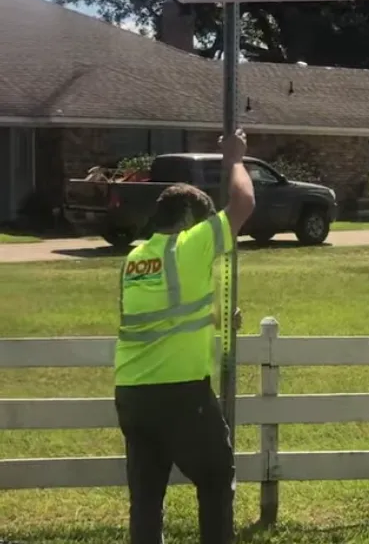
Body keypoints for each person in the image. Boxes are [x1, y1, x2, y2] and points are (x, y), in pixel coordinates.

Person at [113, 129, 256, 544]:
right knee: (214, 476)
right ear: (191, 220)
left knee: (146, 496)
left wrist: (216, 318)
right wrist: (234, 159)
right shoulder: (189, 245)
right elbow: (244, 203)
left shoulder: (135, 259)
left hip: (132, 393)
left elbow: (160, 314)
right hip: (179, 393)